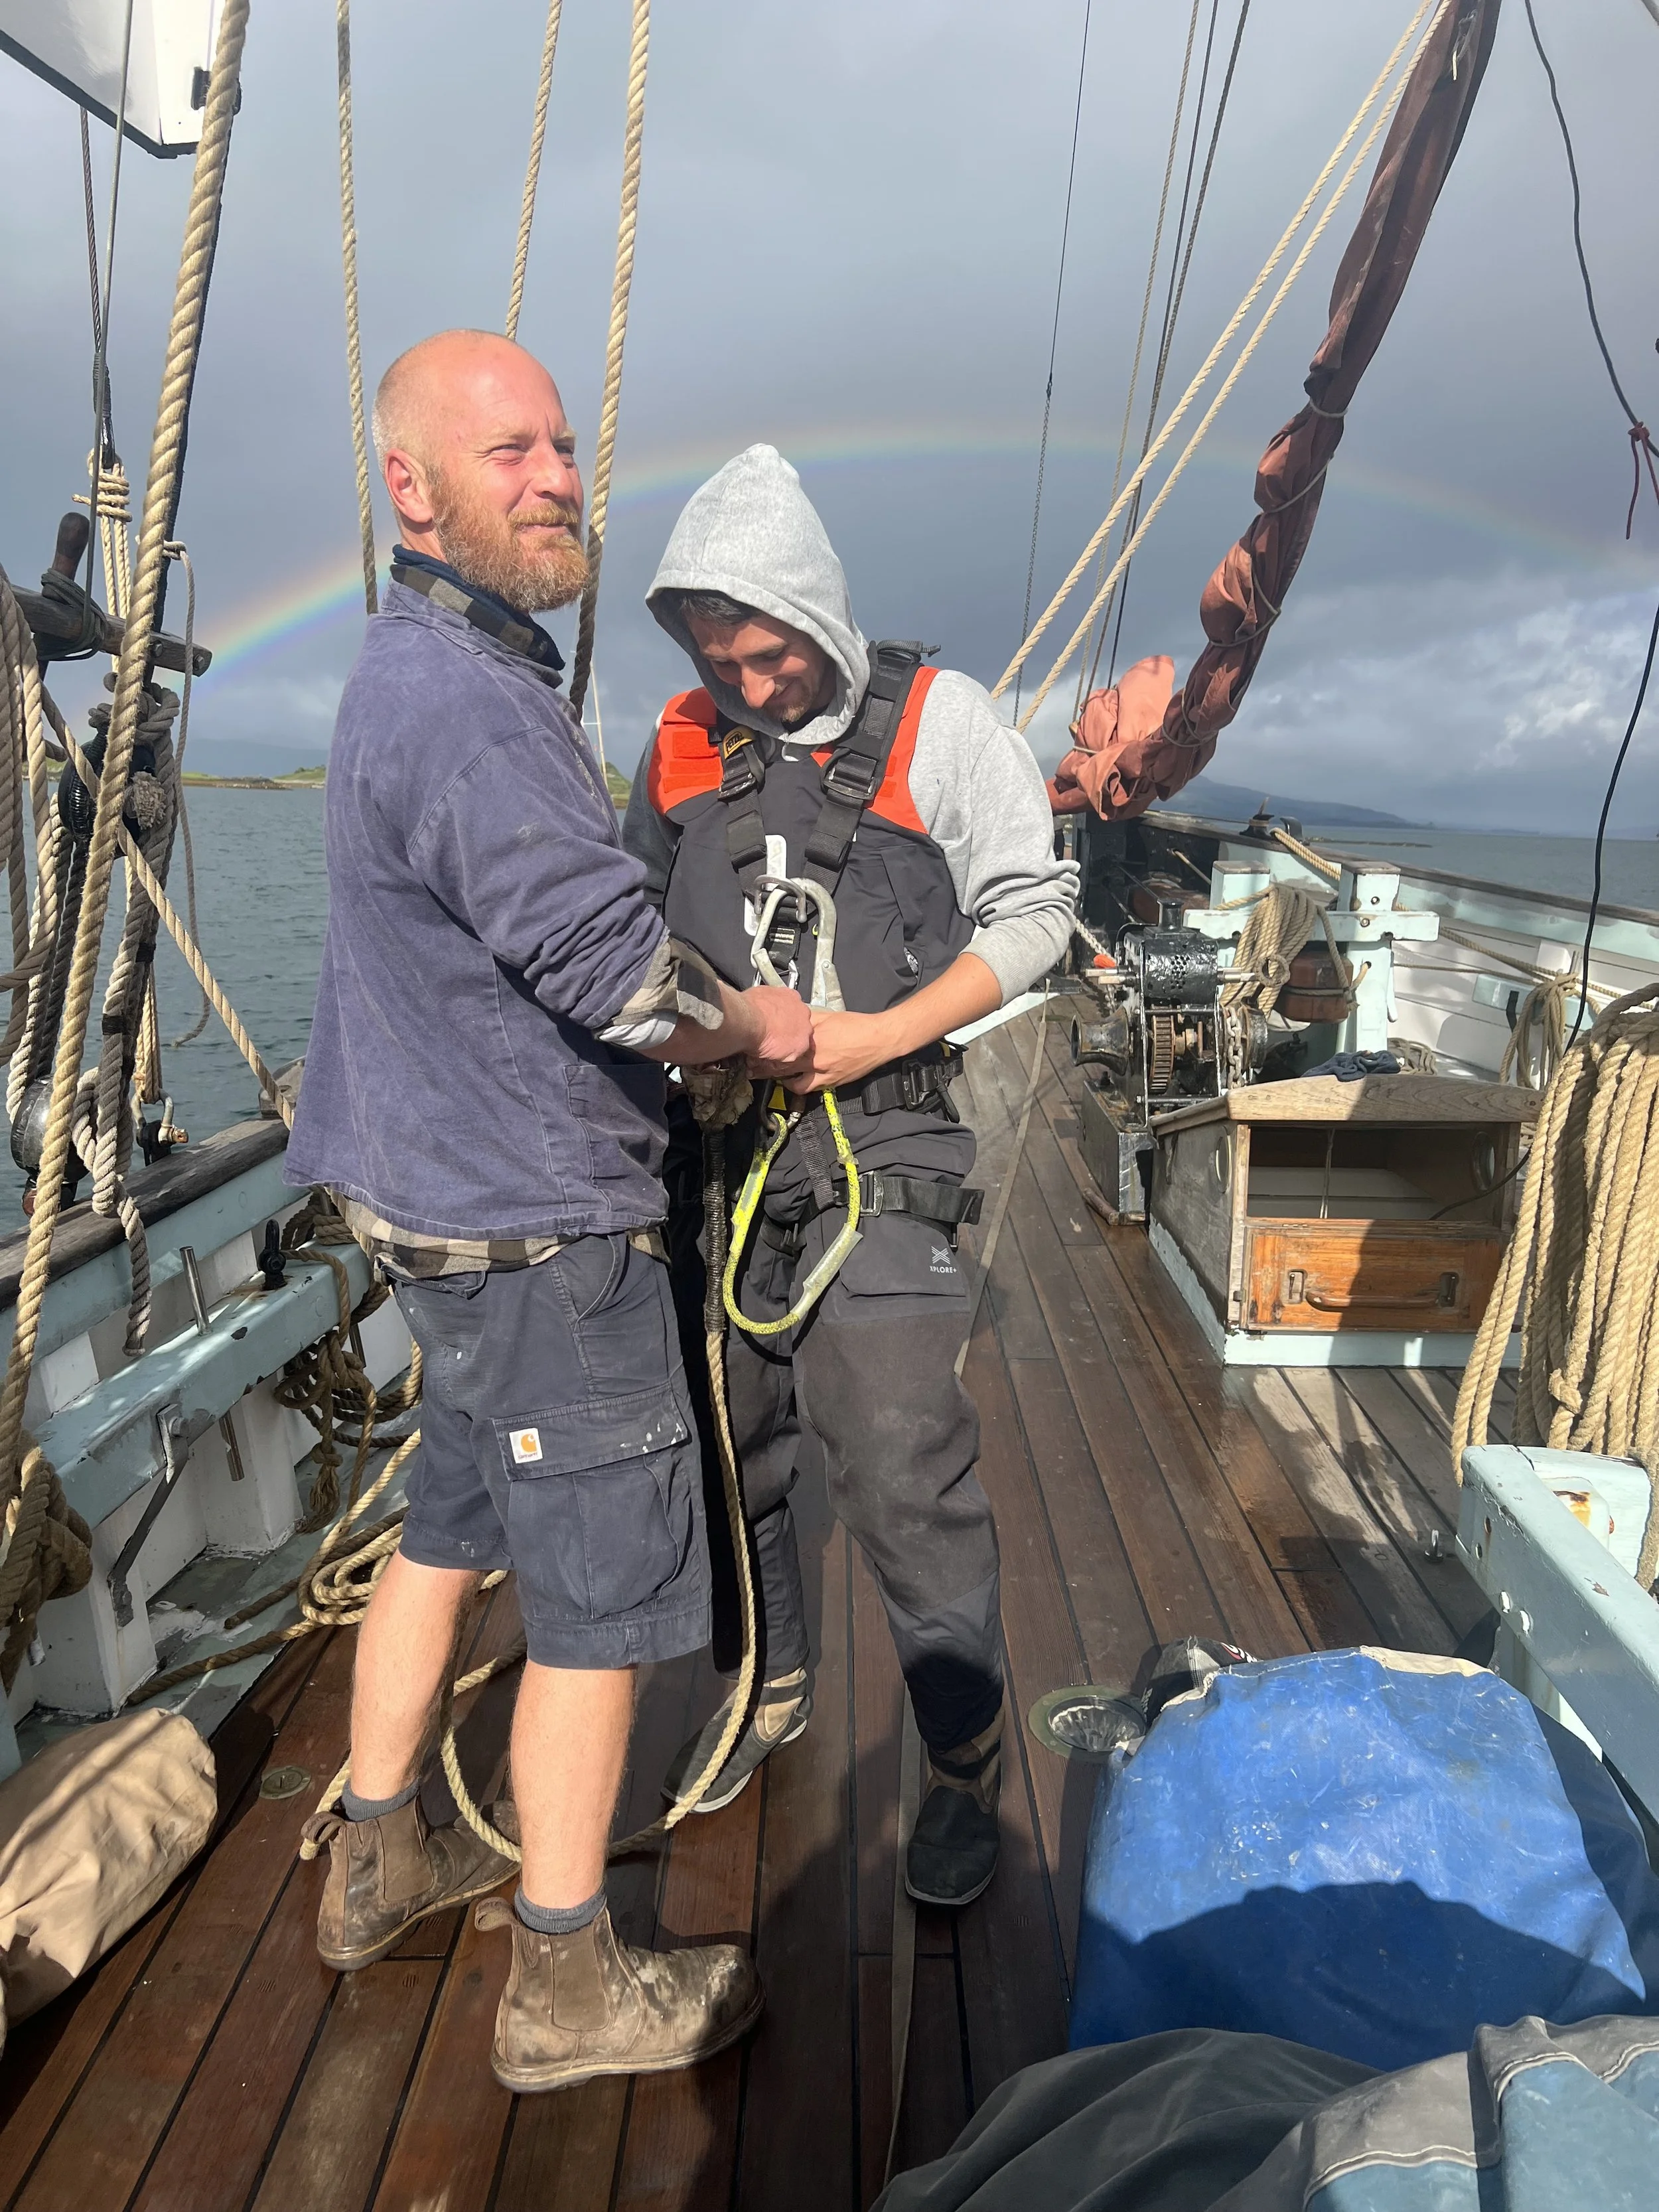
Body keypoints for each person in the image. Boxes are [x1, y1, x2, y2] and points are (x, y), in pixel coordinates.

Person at [284, 335, 812, 2093]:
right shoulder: (462, 699)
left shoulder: (415, 672)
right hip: (533, 1239)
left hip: (432, 1218)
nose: (556, 474)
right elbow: (605, 956)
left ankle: (378, 1856)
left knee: (445, 1524)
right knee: (600, 1597)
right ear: (411, 489)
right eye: (505, 449)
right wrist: (757, 1028)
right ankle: (567, 1978)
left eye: (566, 444)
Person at [623, 445, 1076, 1905]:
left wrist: (876, 1029)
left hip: (883, 1135)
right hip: (726, 1147)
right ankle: (768, 1682)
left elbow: (1033, 912)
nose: (749, 686)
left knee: (891, 1454)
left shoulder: (946, 727)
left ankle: (960, 1752)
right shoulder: (676, 748)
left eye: (770, 652)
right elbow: (626, 930)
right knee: (728, 1435)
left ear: (821, 611)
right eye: (719, 660)